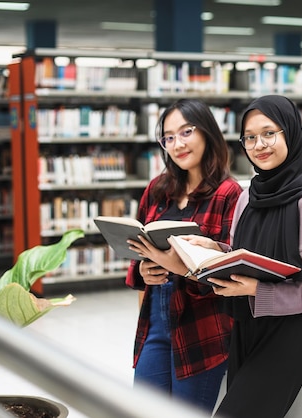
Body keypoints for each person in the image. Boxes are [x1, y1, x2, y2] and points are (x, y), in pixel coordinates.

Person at [185, 94, 302, 418]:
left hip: (293, 329)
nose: (259, 145)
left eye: (269, 133)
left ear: (290, 132)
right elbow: (250, 257)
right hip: (246, 323)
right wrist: (215, 250)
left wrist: (257, 290)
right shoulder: (248, 197)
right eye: (250, 137)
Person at [124, 98, 242, 414]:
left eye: (186, 132)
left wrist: (183, 266)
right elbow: (138, 252)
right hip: (156, 323)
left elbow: (233, 270)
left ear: (207, 133)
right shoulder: (157, 190)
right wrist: (143, 272)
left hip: (202, 329)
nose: (178, 144)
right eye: (169, 137)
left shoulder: (229, 194)